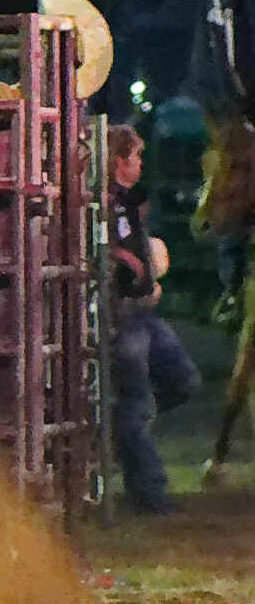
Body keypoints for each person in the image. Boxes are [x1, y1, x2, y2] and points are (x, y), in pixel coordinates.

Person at [107, 125, 198, 514]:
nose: (140, 163)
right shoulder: (103, 204)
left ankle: (121, 432)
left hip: (140, 312)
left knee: (184, 381)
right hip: (123, 316)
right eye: (135, 156)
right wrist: (138, 273)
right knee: (139, 403)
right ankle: (149, 492)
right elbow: (109, 253)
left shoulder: (126, 203)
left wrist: (144, 276)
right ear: (118, 161)